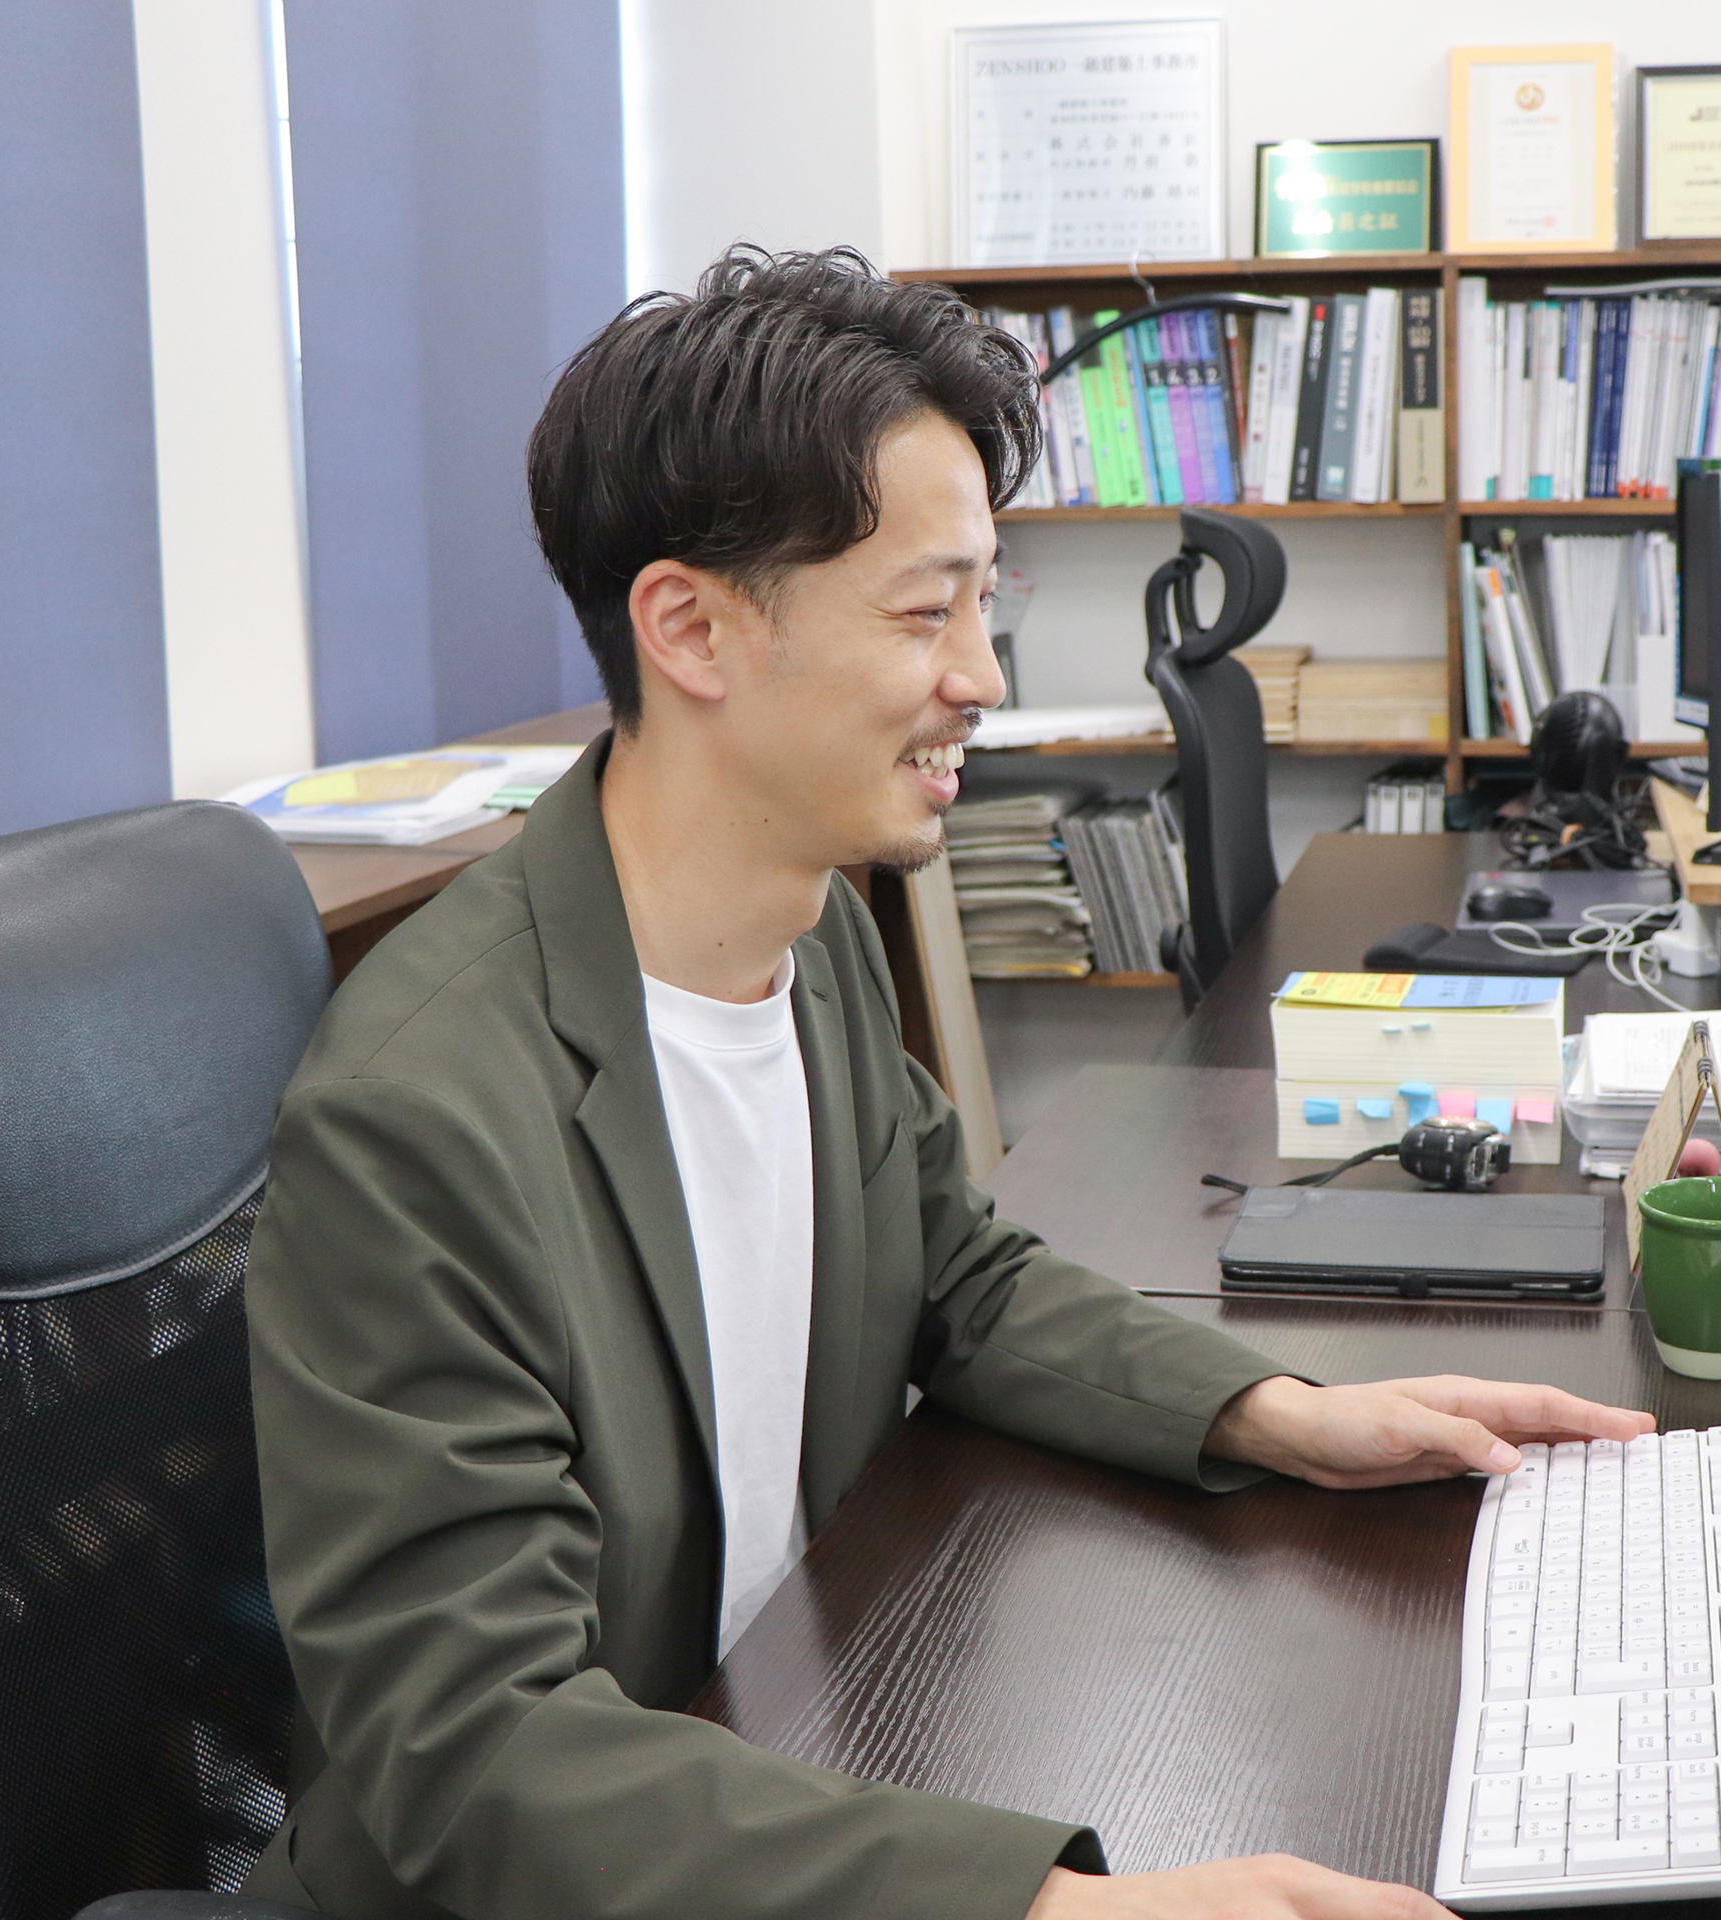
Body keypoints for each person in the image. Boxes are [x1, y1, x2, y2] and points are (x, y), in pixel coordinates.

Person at [239, 247, 1650, 1920]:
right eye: (926, 611)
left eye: (987, 603)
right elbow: (477, 1757)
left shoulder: (814, 929)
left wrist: (1284, 1415)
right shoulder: (416, 1118)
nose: (981, 674)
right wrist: (1059, 1910)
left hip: (784, 1734)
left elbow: (952, 1273)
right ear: (689, 627)